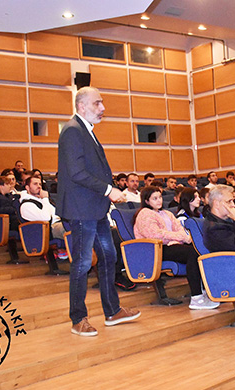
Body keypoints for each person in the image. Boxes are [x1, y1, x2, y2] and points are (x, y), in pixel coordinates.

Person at [57, 86, 140, 337]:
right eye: (97, 103)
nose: (102, 108)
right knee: (82, 263)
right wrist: (108, 190)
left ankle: (112, 311)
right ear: (81, 106)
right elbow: (76, 173)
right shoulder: (72, 130)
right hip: (82, 209)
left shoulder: (86, 130)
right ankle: (78, 318)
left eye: (101, 103)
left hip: (95, 208)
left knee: (109, 257)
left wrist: (108, 192)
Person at [134, 186, 218, 310]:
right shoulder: (145, 214)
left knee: (199, 250)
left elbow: (180, 230)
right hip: (155, 249)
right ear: (146, 201)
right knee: (193, 253)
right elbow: (155, 235)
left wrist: (177, 239)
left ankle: (206, 291)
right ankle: (196, 298)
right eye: (154, 198)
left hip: (171, 245)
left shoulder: (167, 213)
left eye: (160, 197)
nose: (159, 200)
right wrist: (178, 238)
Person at [0, 176, 26, 264]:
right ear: (1, 186)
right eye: (7, 184)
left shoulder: (9, 196)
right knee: (24, 225)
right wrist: (11, 209)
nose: (10, 186)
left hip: (12, 220)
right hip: (3, 222)